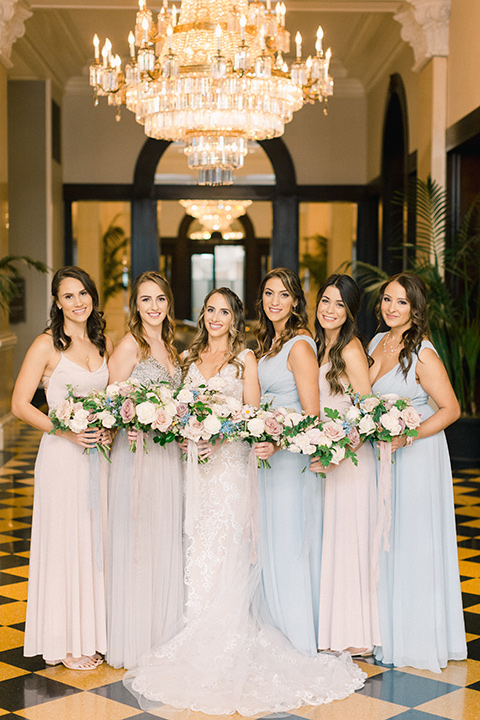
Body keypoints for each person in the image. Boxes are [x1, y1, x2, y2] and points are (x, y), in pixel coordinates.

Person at [124, 287, 366, 715]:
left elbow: (251, 416)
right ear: (202, 315)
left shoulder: (246, 359)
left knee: (229, 548)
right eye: (209, 310)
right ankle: (196, 623)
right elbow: (181, 415)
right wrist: (187, 440)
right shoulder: (186, 360)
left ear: (236, 318)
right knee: (197, 545)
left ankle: (227, 633)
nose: (216, 317)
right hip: (195, 474)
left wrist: (219, 436)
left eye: (224, 311)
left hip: (231, 471)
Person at [11, 266, 112, 670]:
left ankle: (91, 633)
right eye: (69, 296)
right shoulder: (45, 345)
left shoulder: (102, 343)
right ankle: (65, 641)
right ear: (57, 302)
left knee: (92, 542)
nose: (78, 302)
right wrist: (64, 431)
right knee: (65, 541)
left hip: (96, 459)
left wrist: (107, 428)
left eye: (83, 293)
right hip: (61, 456)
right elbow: (19, 405)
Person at [369, 271, 467, 672]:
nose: (392, 308)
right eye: (388, 300)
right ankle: (385, 632)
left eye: (401, 302)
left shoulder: (422, 351)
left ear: (415, 309)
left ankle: (417, 637)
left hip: (417, 457)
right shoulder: (376, 342)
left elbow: (451, 409)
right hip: (382, 457)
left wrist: (406, 436)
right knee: (386, 539)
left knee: (412, 539)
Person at [105, 271, 184, 670]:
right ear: (135, 306)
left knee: (164, 538)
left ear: (169, 304)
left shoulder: (170, 347)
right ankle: (135, 638)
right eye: (145, 300)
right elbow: (110, 405)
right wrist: (137, 417)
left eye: (160, 299)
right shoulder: (130, 346)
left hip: (167, 458)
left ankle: (162, 633)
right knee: (139, 540)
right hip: (137, 456)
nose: (153, 307)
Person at [311, 274, 380, 656]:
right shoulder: (320, 346)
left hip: (349, 459)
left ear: (350, 311)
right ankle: (330, 629)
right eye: (325, 301)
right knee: (330, 541)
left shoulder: (351, 349)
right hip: (324, 455)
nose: (329, 310)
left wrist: (338, 450)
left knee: (348, 540)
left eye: (339, 304)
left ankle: (353, 635)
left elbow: (366, 412)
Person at [254, 267, 322, 656]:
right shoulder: (270, 342)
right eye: (268, 293)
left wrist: (277, 444)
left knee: (289, 541)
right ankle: (276, 625)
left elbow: (311, 415)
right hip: (267, 456)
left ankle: (297, 636)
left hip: (288, 460)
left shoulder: (299, 345)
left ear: (296, 300)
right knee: (271, 541)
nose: (274, 301)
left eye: (283, 294)